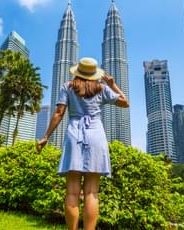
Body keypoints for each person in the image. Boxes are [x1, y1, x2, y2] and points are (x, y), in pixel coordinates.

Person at [37, 57, 129, 230]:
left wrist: (46, 136)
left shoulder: (67, 86)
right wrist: (112, 84)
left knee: (71, 192)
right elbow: (125, 102)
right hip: (96, 136)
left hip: (74, 134)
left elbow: (58, 113)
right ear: (95, 74)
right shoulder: (102, 88)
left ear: (77, 72)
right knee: (92, 192)